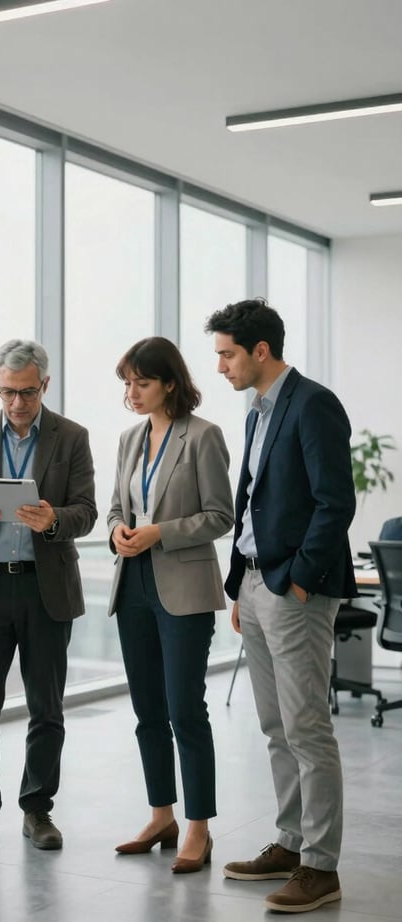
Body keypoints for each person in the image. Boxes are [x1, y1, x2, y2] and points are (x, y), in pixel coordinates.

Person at [206, 298, 356, 914]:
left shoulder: (313, 403)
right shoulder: (258, 414)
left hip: (295, 590)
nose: (220, 367)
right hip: (256, 587)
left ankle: (321, 867)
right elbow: (251, 502)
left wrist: (294, 581)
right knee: (274, 727)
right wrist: (243, 581)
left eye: (226, 354)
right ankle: (292, 843)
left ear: (260, 350)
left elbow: (334, 502)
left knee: (306, 729)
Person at [0, 339, 97, 852]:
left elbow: (87, 511)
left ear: (45, 385)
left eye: (27, 392)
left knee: (45, 707)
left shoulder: (71, 437)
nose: (17, 404)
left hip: (43, 586)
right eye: (8, 392)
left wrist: (54, 521)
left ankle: (37, 810)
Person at [106, 337, 233, 874]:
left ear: (171, 384)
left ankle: (199, 827)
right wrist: (118, 529)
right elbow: (117, 505)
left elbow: (220, 516)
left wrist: (160, 532)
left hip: (183, 589)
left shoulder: (203, 437)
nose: (132, 393)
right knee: (148, 713)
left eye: (143, 382)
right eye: (127, 383)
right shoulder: (130, 439)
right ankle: (162, 815)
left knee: (185, 709)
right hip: (131, 584)